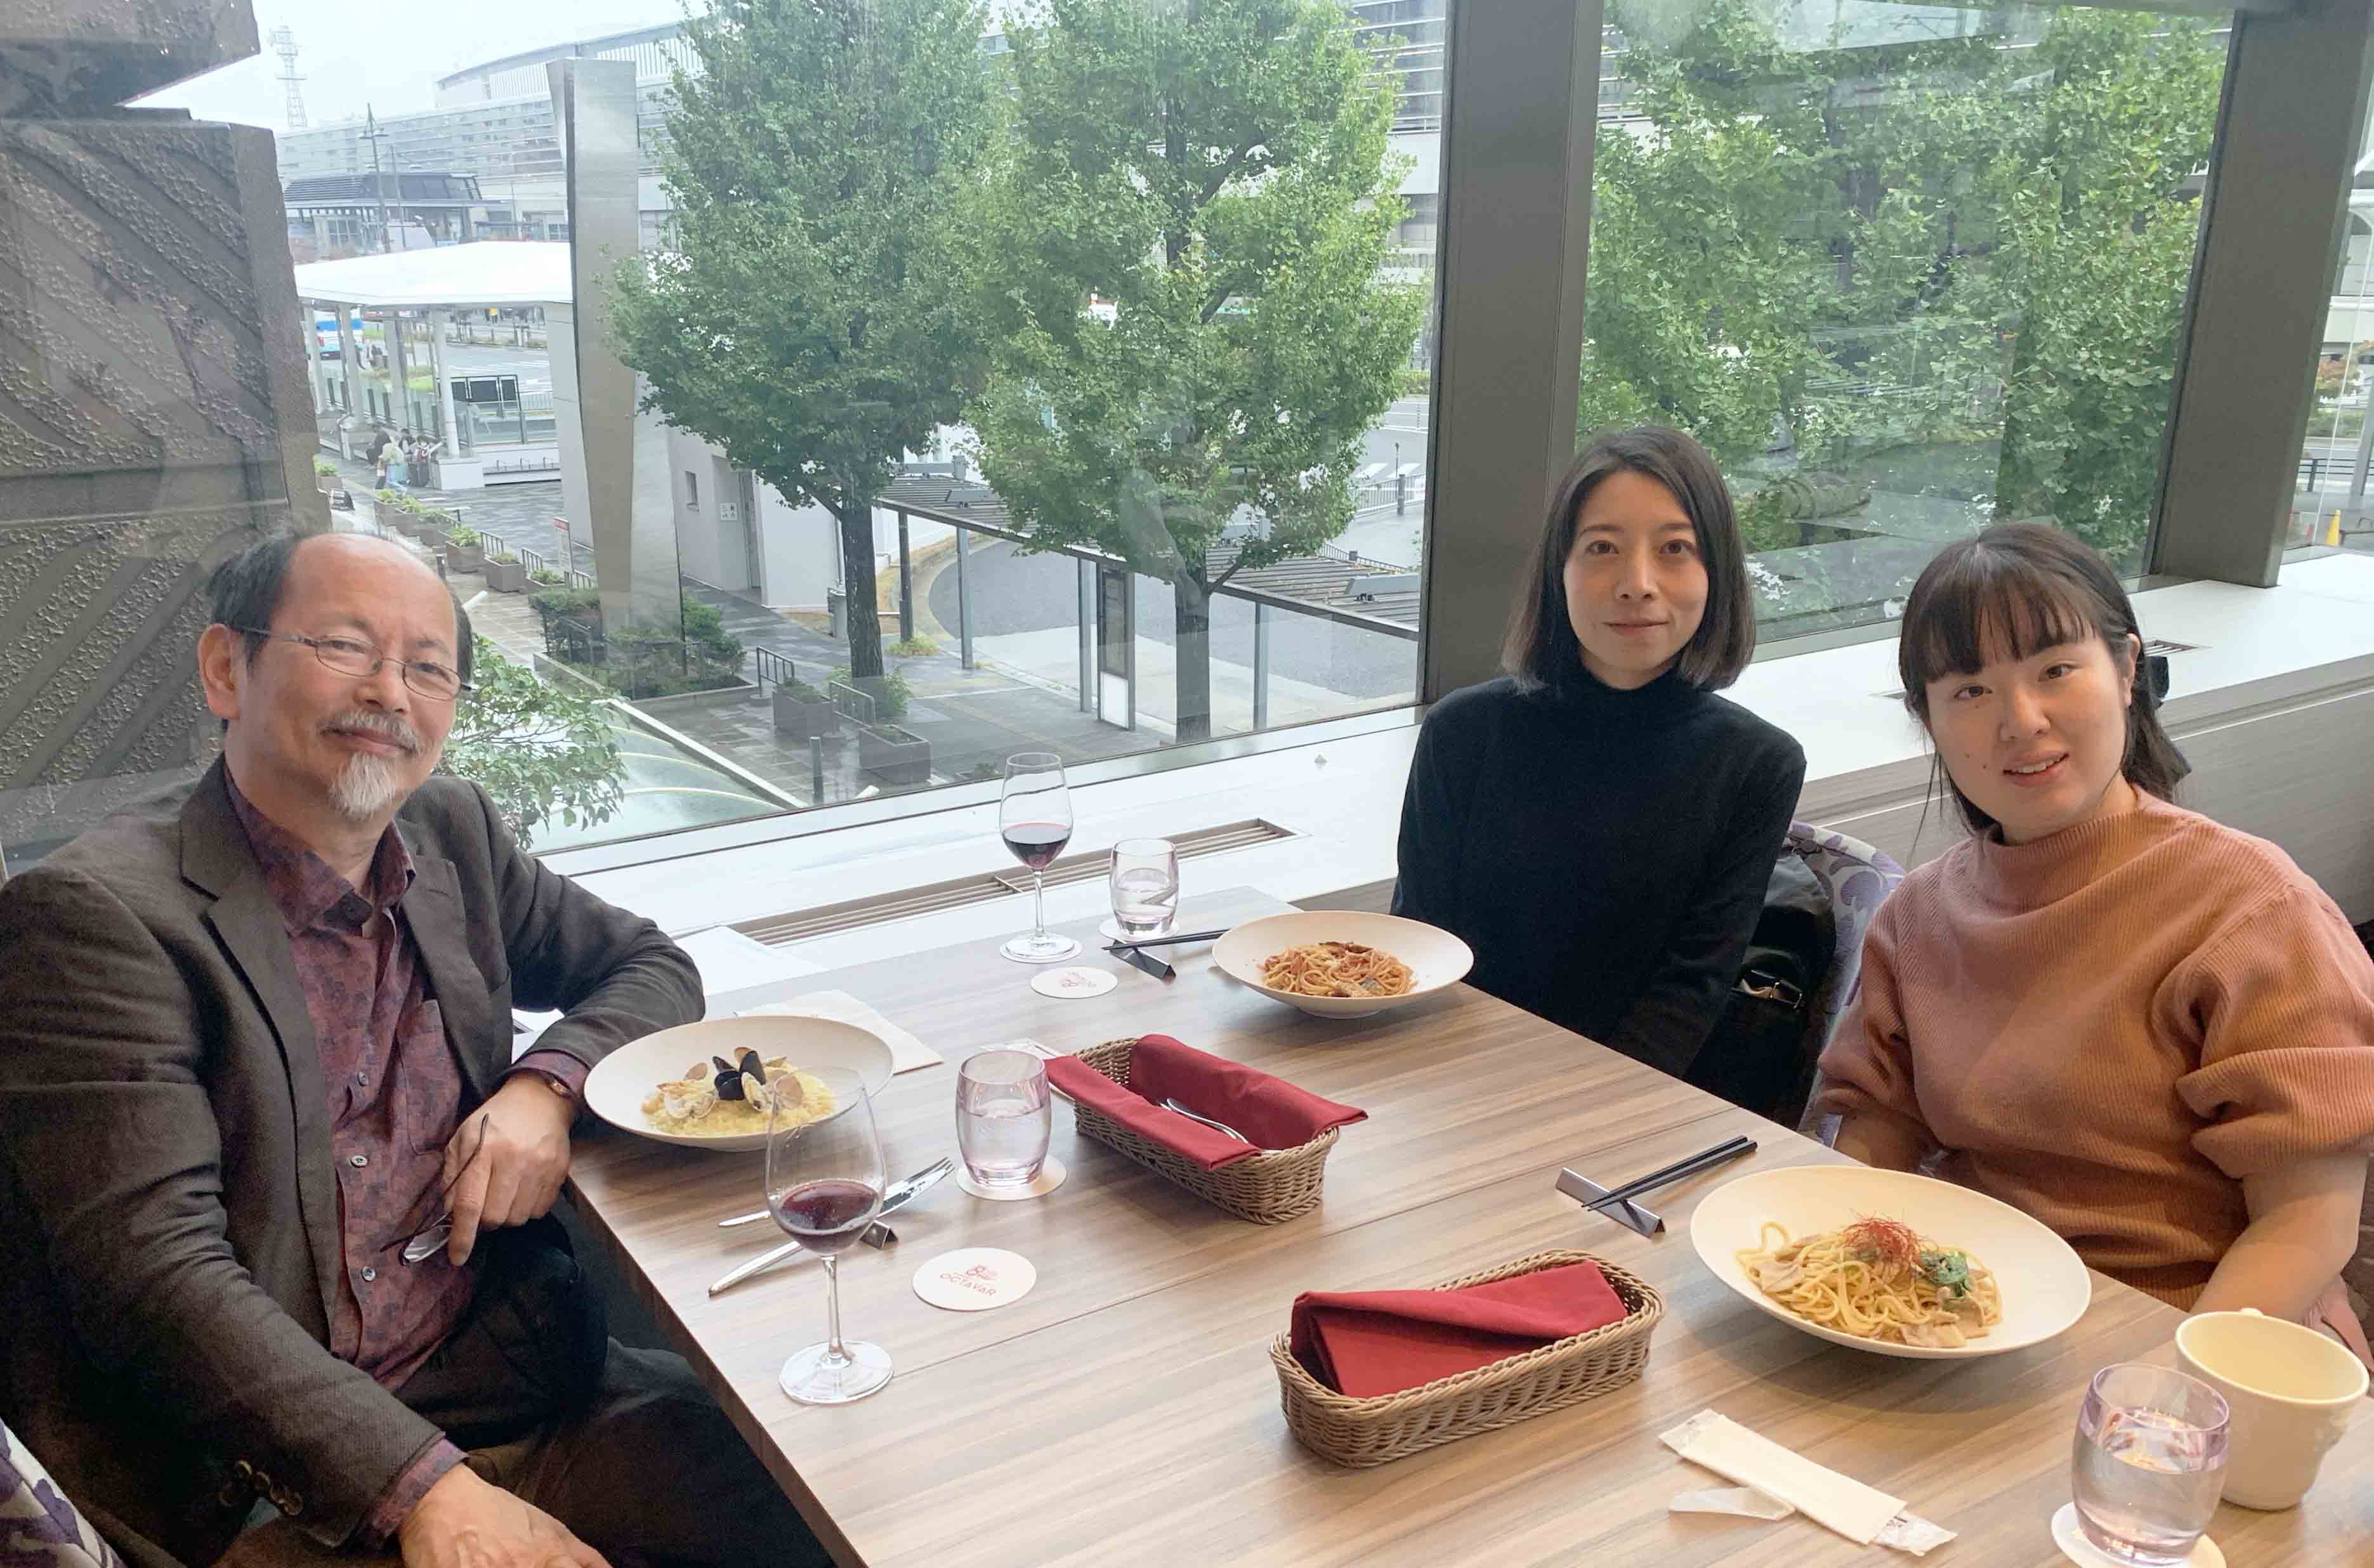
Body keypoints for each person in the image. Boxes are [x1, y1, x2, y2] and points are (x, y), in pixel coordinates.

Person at [0, 533, 827, 1567]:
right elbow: (154, 1282)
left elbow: (647, 965)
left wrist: (545, 1086)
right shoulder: (93, 920)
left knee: (843, 1507)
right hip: (285, 1485)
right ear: (225, 669)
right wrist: (424, 1490)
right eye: (343, 645)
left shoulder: (449, 831)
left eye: (428, 667)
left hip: (528, 1388)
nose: (389, 692)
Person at [1815, 523, 2374, 1361]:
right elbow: (1879, 1126)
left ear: (2124, 671)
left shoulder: (2251, 907)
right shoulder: (1918, 914)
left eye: (2054, 671)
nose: (2020, 720)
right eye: (1969, 690)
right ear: (1926, 719)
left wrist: (2161, 1386)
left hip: (2184, 1331)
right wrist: (1843, 1294)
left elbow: (2306, 1221)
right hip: (1969, 1321)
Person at [1391, 424, 1806, 1080]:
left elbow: (1691, 990)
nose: (1637, 583)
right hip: (1451, 1075)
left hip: (1635, 1096)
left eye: (1674, 548)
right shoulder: (1461, 734)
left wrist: (1579, 1109)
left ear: (1717, 573)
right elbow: (1418, 947)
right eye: (1602, 548)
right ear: (1559, 571)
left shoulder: (1758, 764)